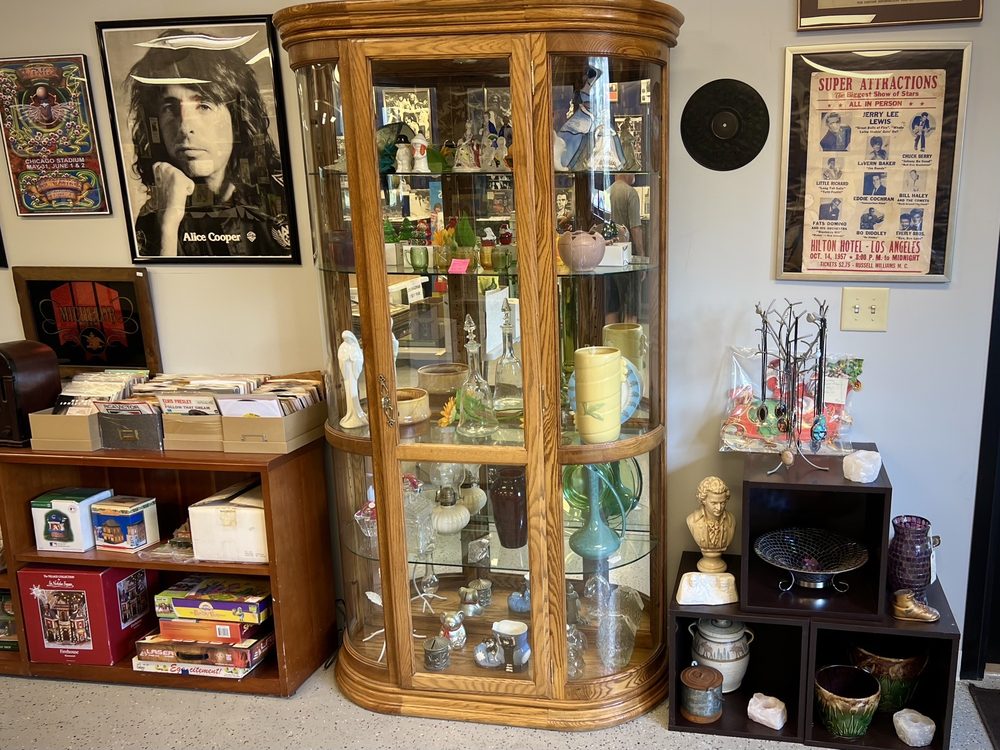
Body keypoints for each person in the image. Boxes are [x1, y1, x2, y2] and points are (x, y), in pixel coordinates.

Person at [126, 30, 290, 257]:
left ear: (237, 118)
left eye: (203, 106)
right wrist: (168, 223)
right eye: (170, 108)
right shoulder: (157, 212)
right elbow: (157, 277)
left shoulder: (285, 194)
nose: (185, 127)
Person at [686, 476, 736, 573]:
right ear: (703, 500)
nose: (719, 508)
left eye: (722, 503)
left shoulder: (731, 520)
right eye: (714, 503)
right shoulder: (692, 520)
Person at [608, 173, 644, 255]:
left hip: (612, 246)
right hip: (626, 248)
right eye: (634, 173)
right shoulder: (630, 192)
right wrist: (641, 253)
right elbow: (635, 228)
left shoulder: (610, 189)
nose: (634, 176)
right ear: (627, 173)